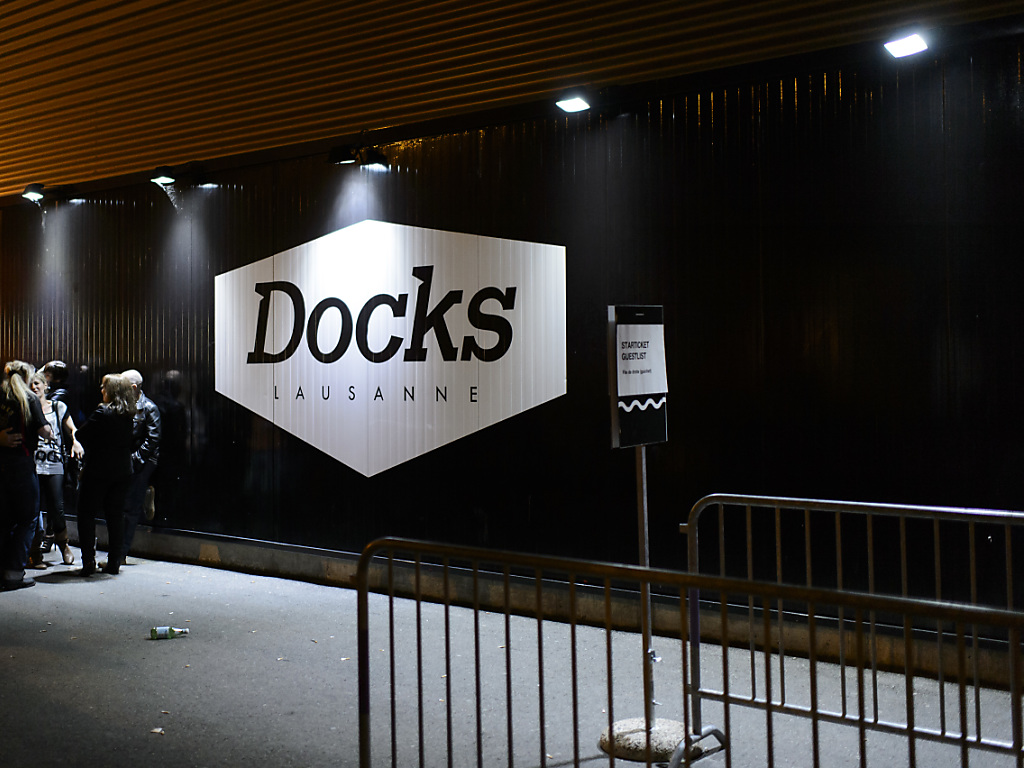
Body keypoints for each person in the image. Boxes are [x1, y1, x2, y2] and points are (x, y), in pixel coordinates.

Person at [75, 373, 136, 577]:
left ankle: (88, 561)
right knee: (115, 516)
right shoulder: (129, 413)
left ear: (112, 391)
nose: (101, 390)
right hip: (122, 470)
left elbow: (81, 434)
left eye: (104, 387)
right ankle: (114, 562)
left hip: (98, 469)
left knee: (86, 514)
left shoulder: (102, 412)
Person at [0, 361, 53, 591]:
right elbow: (44, 431)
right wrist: (49, 430)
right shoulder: (28, 398)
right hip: (21, 466)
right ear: (27, 377)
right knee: (27, 518)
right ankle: (13, 573)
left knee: (3, 519)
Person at [29, 372, 84, 566]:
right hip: (33, 463)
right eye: (31, 384)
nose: (34, 387)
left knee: (57, 507)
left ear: (46, 385)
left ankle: (63, 545)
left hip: (54, 462)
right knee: (33, 508)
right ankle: (34, 551)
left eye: (37, 383)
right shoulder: (28, 408)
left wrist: (75, 442)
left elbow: (72, 429)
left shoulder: (57, 407)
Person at [120, 369, 160, 563]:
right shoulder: (123, 404)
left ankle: (120, 554)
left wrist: (136, 459)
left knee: (130, 508)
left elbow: (153, 438)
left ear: (133, 387)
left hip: (141, 461)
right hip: (127, 460)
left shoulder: (148, 408)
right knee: (123, 505)